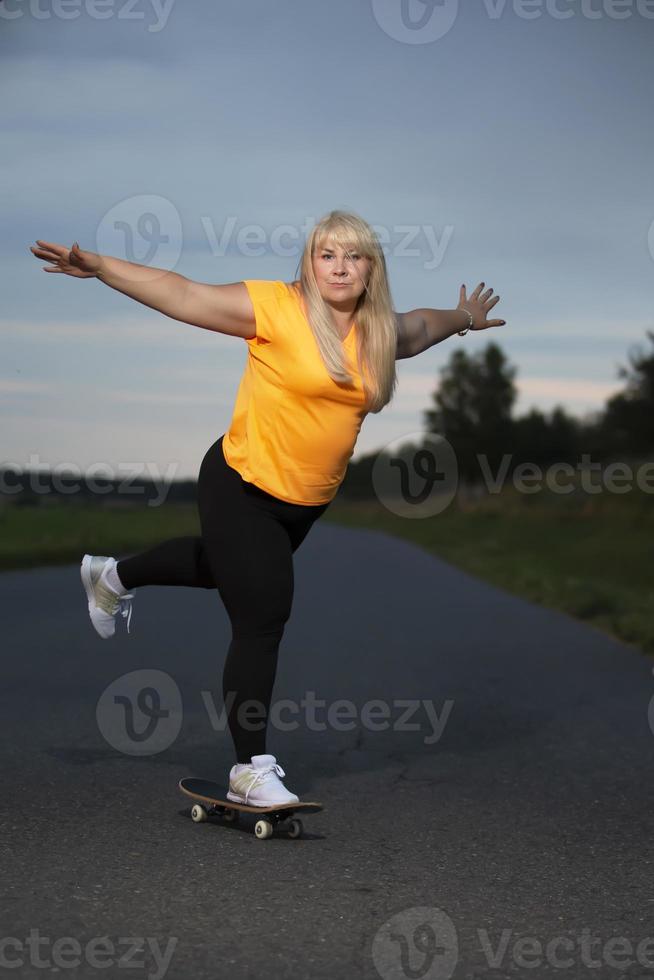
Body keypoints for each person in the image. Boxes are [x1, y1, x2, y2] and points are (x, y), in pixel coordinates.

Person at [30, 209, 505, 806]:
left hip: (303, 505)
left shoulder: (382, 332)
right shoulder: (275, 309)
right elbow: (182, 292)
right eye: (326, 254)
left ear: (370, 269)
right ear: (309, 263)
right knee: (263, 613)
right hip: (240, 481)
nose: (339, 266)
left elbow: (424, 325)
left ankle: (112, 575)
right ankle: (249, 767)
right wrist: (102, 268)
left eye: (353, 256)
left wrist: (466, 318)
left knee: (217, 569)